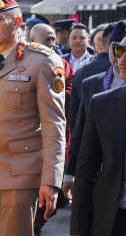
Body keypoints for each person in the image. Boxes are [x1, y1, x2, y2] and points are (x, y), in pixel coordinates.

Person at [0, 0, 66, 236]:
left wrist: (51, 181)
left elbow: (54, 125)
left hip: (19, 173)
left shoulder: (42, 61)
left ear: (17, 22)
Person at [63, 21, 125, 200]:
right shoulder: (91, 83)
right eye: (117, 50)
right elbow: (78, 129)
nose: (121, 57)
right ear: (107, 49)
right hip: (99, 175)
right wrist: (70, 173)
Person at [70, 38, 126, 235]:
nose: (122, 58)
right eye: (120, 50)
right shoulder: (103, 104)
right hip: (112, 219)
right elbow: (85, 173)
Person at [29, 23, 74, 232]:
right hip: (28, 141)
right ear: (32, 41)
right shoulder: (22, 63)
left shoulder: (61, 65)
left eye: (54, 39)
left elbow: (69, 95)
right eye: (47, 39)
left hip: (53, 135)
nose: (53, 44)